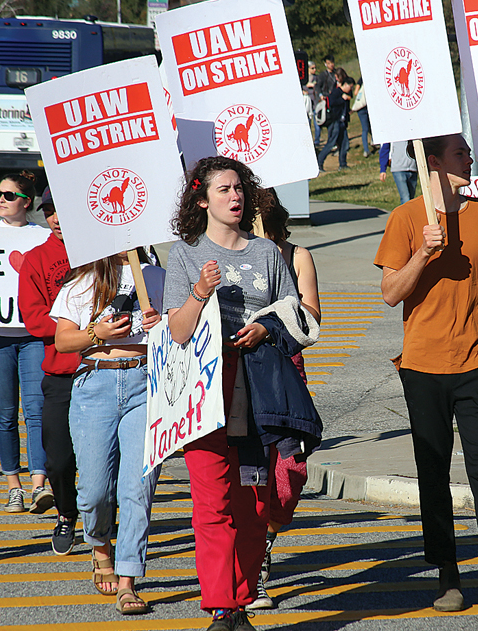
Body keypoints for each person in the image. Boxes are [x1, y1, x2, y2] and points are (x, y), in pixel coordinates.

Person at [374, 134, 478, 620]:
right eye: (459, 152)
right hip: (422, 367)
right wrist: (422, 252)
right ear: (433, 163)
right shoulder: (405, 218)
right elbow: (389, 293)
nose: (469, 158)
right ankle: (447, 573)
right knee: (433, 473)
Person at [164, 157, 321, 631]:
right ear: (201, 198)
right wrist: (198, 292)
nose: (235, 197)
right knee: (212, 503)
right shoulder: (186, 252)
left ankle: (242, 599)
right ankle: (222, 609)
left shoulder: (268, 254)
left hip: (257, 392)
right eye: (224, 190)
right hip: (206, 393)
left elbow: (299, 320)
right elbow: (176, 332)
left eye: (240, 188)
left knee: (253, 504)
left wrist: (265, 328)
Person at [52, 248, 165, 614]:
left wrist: (160, 325)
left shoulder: (157, 277)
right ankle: (100, 546)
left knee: (138, 488)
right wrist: (96, 333)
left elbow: (182, 327)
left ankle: (128, 580)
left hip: (145, 382)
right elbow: (62, 341)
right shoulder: (82, 283)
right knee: (95, 490)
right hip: (94, 383)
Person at [248, 188, 322, 610]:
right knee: (254, 474)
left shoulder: (296, 256)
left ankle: (268, 536)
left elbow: (311, 317)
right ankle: (256, 567)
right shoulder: (231, 254)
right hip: (244, 376)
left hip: (286, 373)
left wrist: (272, 320)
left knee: (291, 472)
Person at [0, 171, 53, 515]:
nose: (1, 199)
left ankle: (39, 484)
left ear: (26, 201)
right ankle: (13, 486)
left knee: (36, 410)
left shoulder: (44, 236)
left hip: (34, 335)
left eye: (9, 195)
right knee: (5, 413)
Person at [18, 189, 81, 555]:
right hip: (59, 373)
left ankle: (101, 512)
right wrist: (77, 327)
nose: (56, 219)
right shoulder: (36, 259)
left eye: (62, 210)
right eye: (49, 212)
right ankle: (66, 514)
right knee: (57, 458)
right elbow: (34, 319)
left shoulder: (99, 255)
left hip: (100, 368)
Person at [317, 70, 353, 172]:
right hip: (334, 122)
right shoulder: (337, 92)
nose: (351, 90)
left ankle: (343, 164)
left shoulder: (345, 94)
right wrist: (342, 99)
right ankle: (319, 163)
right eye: (350, 87)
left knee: (344, 144)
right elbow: (332, 103)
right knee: (331, 143)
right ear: (345, 85)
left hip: (342, 123)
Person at [313, 55, 337, 146]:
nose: (331, 65)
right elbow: (318, 86)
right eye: (328, 63)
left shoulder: (336, 73)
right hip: (325, 100)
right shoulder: (323, 75)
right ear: (325, 64)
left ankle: (333, 140)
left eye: (332, 63)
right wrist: (321, 96)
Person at [352, 76, 372, 157]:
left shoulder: (361, 79)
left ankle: (367, 148)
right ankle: (367, 149)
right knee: (367, 128)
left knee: (367, 128)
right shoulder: (367, 78)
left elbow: (356, 92)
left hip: (362, 108)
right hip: (366, 106)